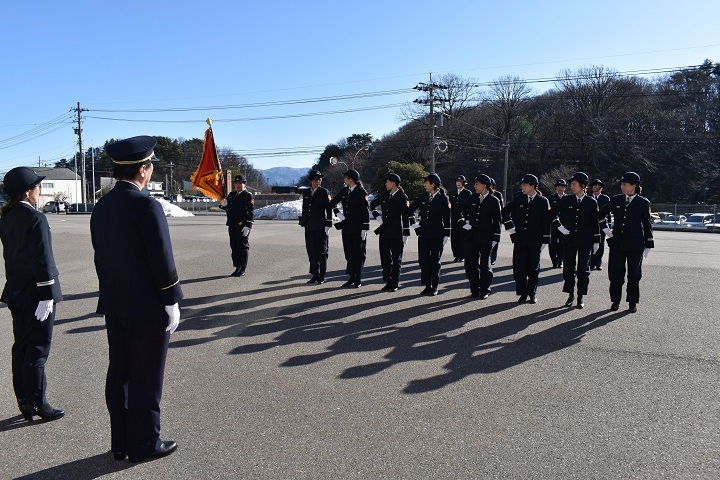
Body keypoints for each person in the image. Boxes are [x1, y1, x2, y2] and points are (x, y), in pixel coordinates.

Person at [91, 136, 183, 462]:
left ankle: (121, 442)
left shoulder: (102, 206)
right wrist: (171, 299)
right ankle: (144, 443)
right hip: (146, 306)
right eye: (150, 165)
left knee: (120, 373)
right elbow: (161, 258)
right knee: (146, 377)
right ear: (143, 170)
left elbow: (100, 257)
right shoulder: (146, 205)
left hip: (115, 302)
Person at [0, 167, 64, 423]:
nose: (39, 191)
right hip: (38, 293)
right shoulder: (35, 218)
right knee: (37, 348)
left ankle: (24, 400)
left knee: (22, 346)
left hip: (17, 291)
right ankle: (39, 403)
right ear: (27, 192)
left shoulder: (7, 217)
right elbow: (42, 258)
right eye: (37, 187)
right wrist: (47, 293)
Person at [598, 172, 654, 313]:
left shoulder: (643, 202)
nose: (622, 186)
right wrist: (605, 229)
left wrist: (649, 243)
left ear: (633, 186)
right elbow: (600, 214)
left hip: (635, 244)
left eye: (624, 184)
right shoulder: (616, 200)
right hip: (618, 242)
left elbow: (647, 224)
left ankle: (632, 302)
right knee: (615, 273)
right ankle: (615, 300)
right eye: (621, 184)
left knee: (634, 274)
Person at [550, 172, 600, 309]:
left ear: (582, 185)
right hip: (569, 240)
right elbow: (552, 213)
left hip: (585, 241)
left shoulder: (591, 202)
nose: (571, 187)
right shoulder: (567, 200)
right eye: (571, 184)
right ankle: (570, 294)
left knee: (583, 270)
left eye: (574, 184)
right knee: (568, 269)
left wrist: (597, 241)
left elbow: (595, 223)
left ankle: (580, 296)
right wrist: (559, 226)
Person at [501, 174, 551, 303]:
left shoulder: (543, 201)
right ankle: (522, 293)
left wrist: (545, 240)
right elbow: (504, 212)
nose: (522, 187)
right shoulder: (519, 199)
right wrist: (511, 228)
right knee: (520, 268)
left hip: (535, 240)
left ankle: (532, 292)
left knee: (533, 268)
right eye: (522, 185)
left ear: (533, 186)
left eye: (525, 185)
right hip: (520, 240)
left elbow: (546, 222)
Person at [457, 174, 502, 299]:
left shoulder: (494, 200)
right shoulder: (472, 198)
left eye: (477, 184)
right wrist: (463, 223)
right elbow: (458, 210)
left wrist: (496, 239)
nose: (475, 186)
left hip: (486, 238)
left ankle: (485, 289)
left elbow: (497, 221)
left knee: (485, 265)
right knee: (470, 265)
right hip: (471, 237)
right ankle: (475, 289)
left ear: (484, 185)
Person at [408, 173, 451, 296]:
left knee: (435, 261)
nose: (424, 185)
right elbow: (410, 211)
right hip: (423, 234)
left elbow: (447, 217)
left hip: (437, 234)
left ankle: (435, 286)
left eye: (426, 183)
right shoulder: (423, 196)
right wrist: (415, 225)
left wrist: (447, 234)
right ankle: (427, 285)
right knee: (423, 260)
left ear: (433, 185)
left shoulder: (443, 198)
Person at [369, 173, 411, 291]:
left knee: (396, 259)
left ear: (393, 183)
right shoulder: (385, 195)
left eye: (387, 182)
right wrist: (378, 217)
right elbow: (372, 205)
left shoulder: (402, 197)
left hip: (397, 232)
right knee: (385, 258)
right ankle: (388, 281)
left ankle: (395, 283)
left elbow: (405, 216)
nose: (385, 184)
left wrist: (406, 233)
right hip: (384, 232)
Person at [330, 169, 370, 287]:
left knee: (359, 253)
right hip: (346, 227)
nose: (344, 179)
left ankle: (358, 279)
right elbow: (332, 202)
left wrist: (365, 228)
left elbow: (365, 211)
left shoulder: (361, 192)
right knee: (349, 253)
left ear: (351, 179)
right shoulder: (344, 191)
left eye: (345, 177)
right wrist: (337, 212)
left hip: (358, 228)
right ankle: (351, 277)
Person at [299, 170, 332, 284]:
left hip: (320, 226)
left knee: (322, 251)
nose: (318, 182)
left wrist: (328, 223)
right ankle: (315, 274)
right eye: (315, 180)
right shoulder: (307, 192)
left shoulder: (324, 192)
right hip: (309, 226)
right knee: (311, 251)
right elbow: (304, 208)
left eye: (319, 179)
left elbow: (328, 208)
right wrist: (303, 221)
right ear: (310, 181)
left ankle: (322, 275)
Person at [219, 175, 254, 277]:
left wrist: (248, 225)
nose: (238, 185)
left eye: (240, 183)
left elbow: (250, 212)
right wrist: (223, 204)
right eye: (236, 183)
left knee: (242, 247)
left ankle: (242, 268)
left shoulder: (247, 195)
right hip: (232, 224)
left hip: (242, 225)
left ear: (244, 184)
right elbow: (228, 207)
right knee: (234, 247)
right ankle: (237, 266)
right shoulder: (232, 194)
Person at [448, 175, 471, 262]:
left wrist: (468, 219)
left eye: (460, 182)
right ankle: (456, 255)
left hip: (463, 219)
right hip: (454, 218)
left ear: (464, 183)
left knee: (462, 237)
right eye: (457, 181)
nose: (458, 183)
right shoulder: (452, 193)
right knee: (454, 237)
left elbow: (469, 206)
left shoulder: (467, 193)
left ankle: (462, 255)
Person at [589, 179, 611, 271]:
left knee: (600, 244)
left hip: (601, 224)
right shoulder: (588, 197)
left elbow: (608, 213)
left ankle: (598, 262)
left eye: (599, 186)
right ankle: (591, 263)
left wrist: (608, 225)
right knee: (590, 244)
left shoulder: (605, 198)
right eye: (595, 185)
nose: (596, 187)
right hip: (590, 225)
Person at [547, 179, 567, 268]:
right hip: (553, 224)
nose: (560, 188)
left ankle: (560, 260)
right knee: (552, 243)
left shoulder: (567, 198)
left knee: (562, 243)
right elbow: (549, 212)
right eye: (558, 186)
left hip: (564, 225)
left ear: (565, 188)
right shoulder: (551, 198)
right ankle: (554, 261)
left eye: (562, 186)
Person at [489, 178, 504, 265]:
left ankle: (493, 257)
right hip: (487, 221)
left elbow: (501, 208)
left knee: (495, 239)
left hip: (496, 220)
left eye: (491, 185)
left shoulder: (498, 194)